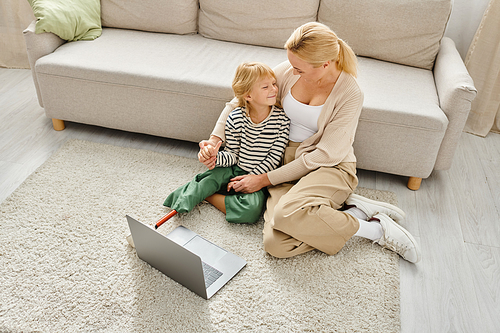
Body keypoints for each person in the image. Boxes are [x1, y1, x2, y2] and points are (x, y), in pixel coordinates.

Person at [198, 22, 421, 263]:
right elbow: (239, 101)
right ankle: (349, 210)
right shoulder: (289, 70)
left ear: (325, 64)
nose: (292, 72)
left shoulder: (350, 94)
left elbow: (324, 155)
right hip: (284, 164)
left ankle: (377, 230)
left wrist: (263, 180)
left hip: (328, 165)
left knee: (285, 214)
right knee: (276, 244)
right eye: (292, 65)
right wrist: (215, 140)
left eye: (300, 69)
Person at [163, 62, 290, 224]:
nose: (274, 89)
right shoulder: (236, 118)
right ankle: (182, 204)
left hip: (258, 176)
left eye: (274, 84)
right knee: (208, 180)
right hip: (233, 167)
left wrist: (250, 179)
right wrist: (216, 157)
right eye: (266, 87)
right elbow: (232, 155)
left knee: (251, 210)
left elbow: (274, 159)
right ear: (248, 95)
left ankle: (209, 196)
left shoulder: (282, 120)